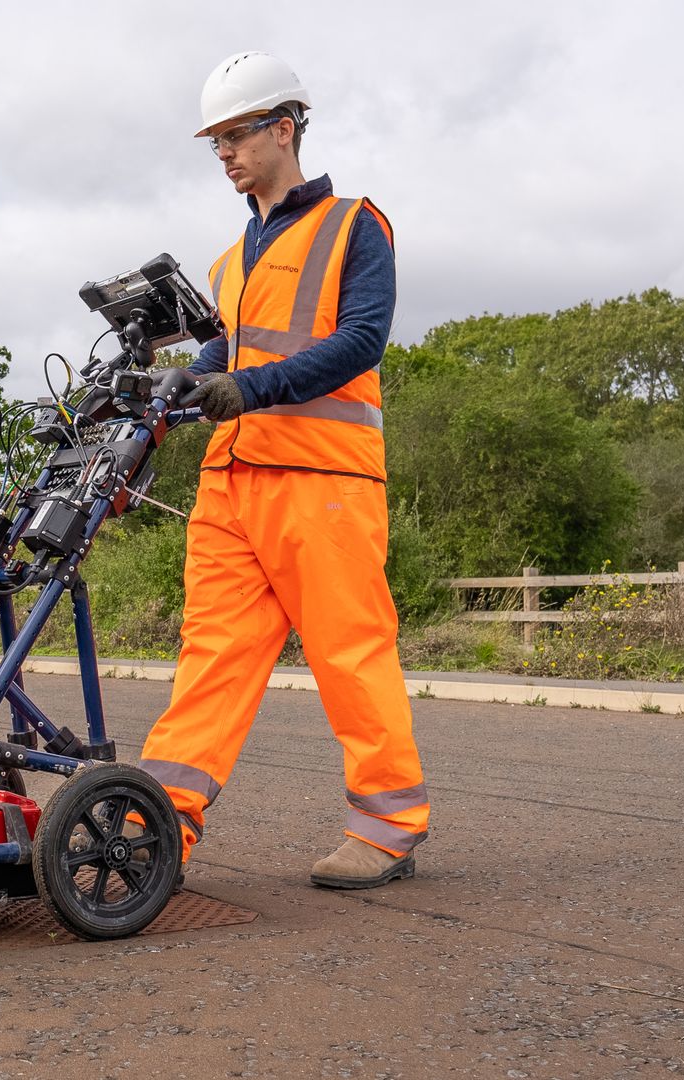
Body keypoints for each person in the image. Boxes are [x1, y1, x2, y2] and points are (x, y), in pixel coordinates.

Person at [136, 51, 431, 890]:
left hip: (323, 481)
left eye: (236, 135)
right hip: (231, 486)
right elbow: (223, 358)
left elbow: (359, 342)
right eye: (215, 142)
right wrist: (166, 392)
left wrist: (246, 386)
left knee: (349, 651)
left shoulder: (354, 225)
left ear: (285, 128)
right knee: (211, 657)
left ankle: (388, 826)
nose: (224, 153)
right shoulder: (232, 261)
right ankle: (153, 829)